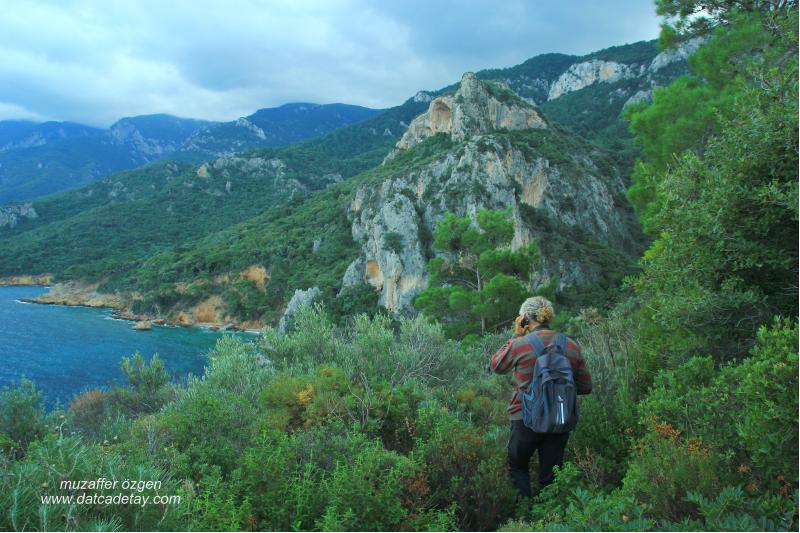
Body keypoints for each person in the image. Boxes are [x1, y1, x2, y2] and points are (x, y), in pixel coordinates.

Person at [489, 296, 592, 498]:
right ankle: (550, 519)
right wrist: (558, 391)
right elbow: (586, 386)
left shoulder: (520, 344)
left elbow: (496, 366)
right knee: (551, 476)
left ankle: (524, 517)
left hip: (524, 417)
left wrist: (516, 336)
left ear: (525, 319)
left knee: (517, 465)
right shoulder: (571, 345)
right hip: (560, 418)